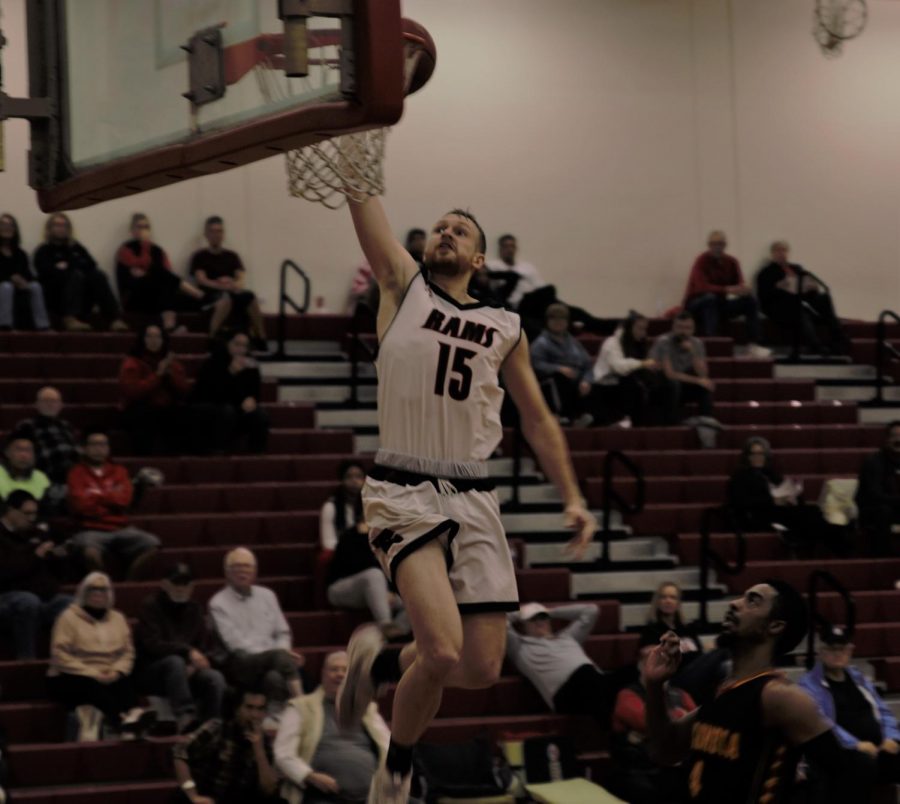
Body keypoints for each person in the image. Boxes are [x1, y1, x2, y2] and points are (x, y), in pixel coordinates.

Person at [338, 198, 595, 803]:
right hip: (404, 487)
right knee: (442, 648)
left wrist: (574, 497)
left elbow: (535, 418)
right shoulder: (403, 288)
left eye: (460, 231)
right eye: (440, 228)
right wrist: (356, 159)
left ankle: (376, 668)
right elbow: (367, 215)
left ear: (479, 257)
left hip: (474, 492)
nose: (446, 233)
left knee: (478, 667)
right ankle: (397, 768)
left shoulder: (506, 326)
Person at [644, 580, 854, 804]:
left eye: (753, 601)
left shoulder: (779, 696)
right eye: (742, 597)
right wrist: (654, 685)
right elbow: (664, 751)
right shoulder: (726, 689)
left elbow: (844, 775)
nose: (735, 603)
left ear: (775, 626)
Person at [47, 572, 156, 740]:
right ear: (83, 592)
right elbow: (59, 654)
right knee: (90, 685)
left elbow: (128, 652)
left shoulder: (118, 618)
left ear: (109, 593)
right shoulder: (67, 618)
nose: (98, 594)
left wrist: (117, 671)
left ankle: (133, 716)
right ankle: (123, 720)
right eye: (93, 589)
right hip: (73, 673)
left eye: (103, 590)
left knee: (125, 680)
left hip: (109, 671)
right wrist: (92, 673)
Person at [275, 651, 390, 804]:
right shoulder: (300, 707)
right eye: (334, 669)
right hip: (320, 795)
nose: (339, 674)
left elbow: (388, 747)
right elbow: (283, 754)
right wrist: (310, 776)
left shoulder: (367, 709)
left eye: (345, 670)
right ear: (323, 674)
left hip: (372, 796)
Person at [799, 626, 900, 796]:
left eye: (842, 648)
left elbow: (884, 711)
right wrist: (856, 744)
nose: (838, 653)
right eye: (832, 649)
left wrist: (892, 737)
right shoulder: (809, 684)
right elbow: (822, 722)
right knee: (863, 763)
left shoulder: (858, 678)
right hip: (840, 751)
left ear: (850, 650)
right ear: (821, 651)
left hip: (877, 748)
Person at [209, 548, 305, 718]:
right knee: (280, 659)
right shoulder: (218, 603)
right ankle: (303, 704)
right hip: (241, 663)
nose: (243, 571)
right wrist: (276, 656)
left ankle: (276, 716)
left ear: (255, 570)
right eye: (237, 567)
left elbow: (282, 632)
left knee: (273, 677)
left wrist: (280, 652)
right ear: (227, 572)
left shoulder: (267, 595)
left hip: (272, 661)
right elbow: (234, 643)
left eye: (247, 567)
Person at [321, 461, 409, 640]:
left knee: (416, 594)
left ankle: (399, 629)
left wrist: (391, 592)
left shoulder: (385, 537)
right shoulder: (350, 537)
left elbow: (391, 567)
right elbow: (353, 566)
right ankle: (385, 625)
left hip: (378, 591)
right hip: (343, 587)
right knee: (373, 575)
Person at [135, 563, 227, 734]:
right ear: (164, 584)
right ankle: (185, 716)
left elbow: (205, 646)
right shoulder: (150, 606)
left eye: (185, 584)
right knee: (174, 662)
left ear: (192, 587)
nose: (180, 588)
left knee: (214, 677)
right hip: (152, 672)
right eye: (176, 583)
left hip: (186, 671)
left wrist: (193, 665)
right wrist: (187, 651)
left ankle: (212, 726)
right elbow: (152, 645)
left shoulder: (195, 609)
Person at [609, 631, 696, 804]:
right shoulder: (627, 695)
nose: (658, 667)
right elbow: (650, 724)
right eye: (652, 662)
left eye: (663, 662)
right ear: (642, 667)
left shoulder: (680, 694)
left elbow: (699, 726)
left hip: (675, 768)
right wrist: (680, 715)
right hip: (640, 771)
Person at [67, 429, 161, 579]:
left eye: (103, 444)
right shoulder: (76, 472)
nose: (99, 448)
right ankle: (104, 584)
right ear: (84, 448)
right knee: (90, 552)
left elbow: (124, 501)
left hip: (120, 527)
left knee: (152, 544)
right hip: (90, 528)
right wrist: (111, 498)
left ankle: (128, 584)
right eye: (94, 444)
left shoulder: (119, 471)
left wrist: (95, 496)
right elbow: (80, 505)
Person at [506, 602, 617, 727]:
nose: (539, 622)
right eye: (532, 619)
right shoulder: (520, 647)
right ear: (523, 625)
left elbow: (591, 610)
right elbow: (501, 621)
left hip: (592, 682)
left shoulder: (568, 637)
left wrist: (551, 612)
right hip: (564, 695)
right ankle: (615, 728)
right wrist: (519, 613)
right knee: (587, 676)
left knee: (631, 673)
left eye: (542, 617)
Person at [173, 687, 283, 804]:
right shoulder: (217, 729)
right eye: (249, 707)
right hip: (205, 797)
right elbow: (180, 753)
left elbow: (269, 789)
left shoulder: (263, 741)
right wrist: (192, 794)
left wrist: (259, 749)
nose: (255, 715)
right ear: (237, 709)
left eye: (260, 709)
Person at [0, 490, 72, 659]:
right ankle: (26, 659)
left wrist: (59, 557)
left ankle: (65, 661)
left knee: (70, 604)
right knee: (27, 601)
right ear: (10, 511)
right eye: (27, 513)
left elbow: (56, 576)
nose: (32, 518)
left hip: (40, 596)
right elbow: (4, 572)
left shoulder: (36, 533)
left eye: (35, 513)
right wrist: (35, 557)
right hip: (6, 598)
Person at [727, 436, 828, 554]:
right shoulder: (740, 477)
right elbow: (741, 502)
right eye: (753, 454)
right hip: (758, 515)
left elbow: (787, 489)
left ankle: (819, 546)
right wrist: (772, 501)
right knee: (801, 516)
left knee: (815, 511)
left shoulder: (771, 474)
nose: (757, 457)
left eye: (761, 454)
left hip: (779, 510)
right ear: (747, 456)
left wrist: (793, 498)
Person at [33, 212, 127, 332]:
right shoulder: (43, 250)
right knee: (74, 275)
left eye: (64, 225)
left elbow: (91, 265)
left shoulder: (76, 248)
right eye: (57, 225)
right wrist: (68, 269)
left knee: (98, 275)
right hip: (57, 296)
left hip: (82, 295)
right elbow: (45, 272)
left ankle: (114, 319)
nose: (61, 228)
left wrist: (67, 266)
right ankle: (70, 318)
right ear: (49, 228)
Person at [683, 231, 769, 357]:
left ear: (725, 245)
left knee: (750, 301)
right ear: (709, 245)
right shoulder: (701, 260)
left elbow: (739, 283)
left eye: (720, 243)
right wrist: (726, 289)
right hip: (697, 304)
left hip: (719, 303)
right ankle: (711, 343)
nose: (717, 247)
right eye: (714, 244)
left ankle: (753, 344)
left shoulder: (732, 261)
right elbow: (701, 287)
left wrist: (743, 290)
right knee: (709, 298)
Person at [115, 213, 204, 333]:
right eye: (139, 227)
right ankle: (197, 294)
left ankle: (171, 325)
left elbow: (167, 275)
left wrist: (146, 273)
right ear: (132, 230)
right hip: (134, 298)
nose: (143, 230)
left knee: (174, 290)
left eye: (146, 227)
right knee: (159, 272)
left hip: (157, 296)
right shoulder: (126, 249)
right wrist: (145, 246)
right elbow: (136, 275)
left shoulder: (158, 251)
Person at [189, 216, 267, 350]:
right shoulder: (200, 256)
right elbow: (201, 280)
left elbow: (241, 280)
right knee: (225, 298)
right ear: (206, 234)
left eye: (219, 231)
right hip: (210, 297)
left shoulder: (232, 256)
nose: (216, 235)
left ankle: (261, 337)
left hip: (231, 293)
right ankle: (212, 337)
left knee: (249, 296)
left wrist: (232, 283)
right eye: (212, 231)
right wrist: (221, 284)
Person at [757, 240, 846, 355]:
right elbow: (764, 296)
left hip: (800, 300)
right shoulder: (766, 272)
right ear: (772, 253)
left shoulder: (797, 268)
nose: (781, 253)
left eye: (784, 250)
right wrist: (778, 287)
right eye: (778, 250)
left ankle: (838, 339)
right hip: (779, 306)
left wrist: (812, 287)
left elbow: (806, 288)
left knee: (824, 299)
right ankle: (815, 345)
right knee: (799, 309)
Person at [190, 331, 270, 454]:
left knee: (261, 415)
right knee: (227, 411)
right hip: (213, 407)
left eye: (244, 346)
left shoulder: (251, 364)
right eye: (237, 344)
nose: (241, 349)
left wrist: (252, 399)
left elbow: (255, 391)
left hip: (238, 408)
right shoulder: (213, 362)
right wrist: (230, 372)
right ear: (228, 344)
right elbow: (208, 393)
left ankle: (256, 455)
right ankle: (218, 451)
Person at [119, 323, 190, 455]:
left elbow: (183, 390)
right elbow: (132, 392)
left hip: (165, 407)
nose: (154, 340)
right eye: (149, 336)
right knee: (144, 416)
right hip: (138, 407)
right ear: (142, 339)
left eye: (157, 336)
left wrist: (170, 375)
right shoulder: (132, 362)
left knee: (184, 415)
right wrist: (157, 375)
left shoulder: (171, 362)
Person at [529, 303, 595, 427]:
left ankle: (590, 417)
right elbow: (535, 364)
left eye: (562, 318)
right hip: (552, 381)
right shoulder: (541, 343)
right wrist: (558, 368)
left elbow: (587, 365)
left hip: (576, 380)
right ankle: (564, 416)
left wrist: (586, 380)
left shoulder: (574, 343)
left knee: (595, 383)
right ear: (548, 321)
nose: (558, 322)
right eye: (554, 318)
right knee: (560, 378)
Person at [593, 312, 664, 426]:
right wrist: (642, 363)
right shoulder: (612, 342)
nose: (643, 333)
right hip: (605, 385)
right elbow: (618, 367)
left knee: (658, 381)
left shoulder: (639, 343)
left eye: (644, 329)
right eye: (639, 328)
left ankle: (655, 423)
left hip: (626, 383)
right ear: (629, 327)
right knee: (631, 382)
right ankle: (628, 421)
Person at [14, 386, 80, 510]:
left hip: (72, 479)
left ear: (61, 405)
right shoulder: (26, 426)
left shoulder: (66, 426)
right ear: (37, 405)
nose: (50, 404)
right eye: (46, 401)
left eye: (54, 401)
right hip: (44, 478)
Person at [650, 312, 716, 425]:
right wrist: (698, 381)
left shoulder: (697, 343)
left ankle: (707, 424)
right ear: (673, 328)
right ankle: (672, 425)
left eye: (687, 328)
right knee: (674, 384)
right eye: (680, 327)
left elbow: (703, 374)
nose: (683, 332)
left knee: (705, 387)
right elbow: (670, 374)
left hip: (683, 384)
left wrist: (693, 352)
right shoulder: (664, 342)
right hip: (663, 386)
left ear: (693, 329)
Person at [856, 420, 900, 557]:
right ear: (886, 439)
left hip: (896, 507)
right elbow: (874, 495)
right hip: (874, 509)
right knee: (883, 511)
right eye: (894, 436)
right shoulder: (874, 462)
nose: (898, 440)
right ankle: (884, 557)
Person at [0, 212, 50, 331]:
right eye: (3, 224)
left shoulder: (20, 254)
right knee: (6, 286)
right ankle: (5, 326)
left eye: (10, 225)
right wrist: (10, 278)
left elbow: (27, 273)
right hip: (4, 286)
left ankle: (43, 325)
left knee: (35, 286)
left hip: (18, 286)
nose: (7, 228)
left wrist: (23, 281)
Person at [640, 581, 703, 672]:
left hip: (696, 670)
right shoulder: (651, 629)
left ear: (678, 602)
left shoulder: (688, 628)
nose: (668, 601)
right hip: (674, 675)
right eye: (663, 597)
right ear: (657, 602)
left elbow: (699, 652)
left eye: (673, 597)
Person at [0, 432, 51, 505]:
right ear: (6, 452)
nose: (23, 455)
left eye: (28, 450)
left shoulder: (41, 478)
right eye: (18, 449)